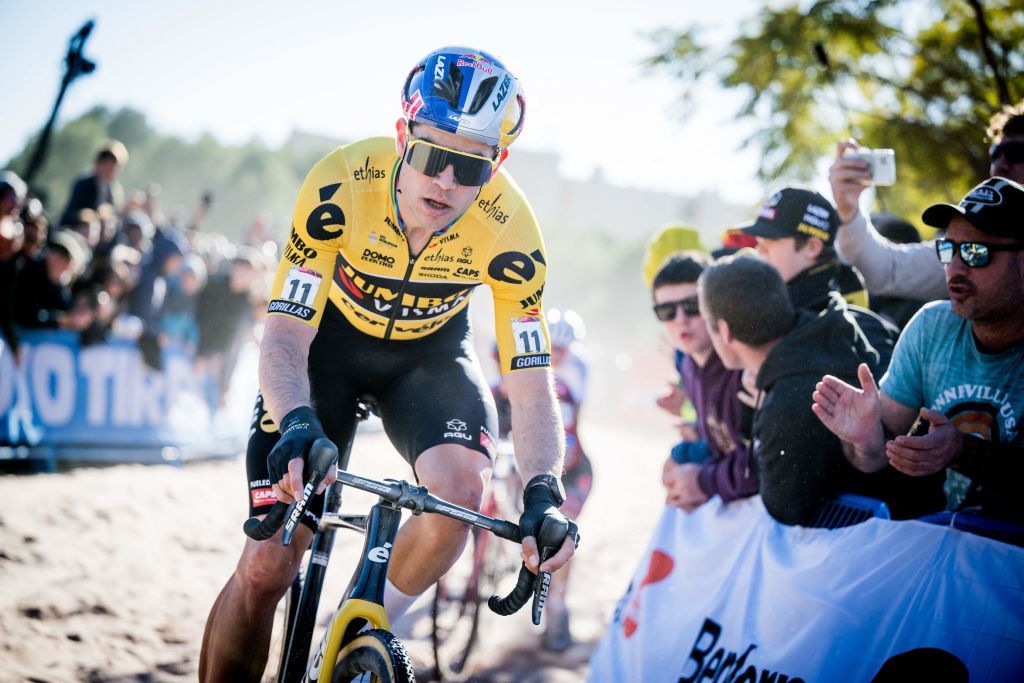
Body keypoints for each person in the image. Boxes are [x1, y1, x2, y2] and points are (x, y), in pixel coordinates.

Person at [199, 46, 578, 682]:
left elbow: (532, 383)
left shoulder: (512, 230)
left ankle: (349, 635)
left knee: (462, 495)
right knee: (267, 564)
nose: (447, 183)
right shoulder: (341, 182)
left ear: (498, 165)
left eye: (471, 169)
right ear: (403, 135)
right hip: (327, 352)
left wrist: (544, 486)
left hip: (428, 361)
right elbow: (287, 333)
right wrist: (295, 420)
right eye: (433, 157)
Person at [812, 177, 1024, 521]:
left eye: (975, 252)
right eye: (947, 249)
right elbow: (878, 454)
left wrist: (963, 450)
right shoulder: (931, 326)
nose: (954, 267)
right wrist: (865, 439)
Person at [697, 255, 944, 526]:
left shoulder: (786, 404)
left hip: (900, 538)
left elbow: (786, 510)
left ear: (724, 330)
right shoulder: (848, 322)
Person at [828, 100, 1024, 301]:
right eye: (995, 155)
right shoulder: (961, 251)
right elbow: (889, 270)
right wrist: (848, 210)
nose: (999, 166)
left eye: (1016, 154)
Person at [741, 186, 900, 369]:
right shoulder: (773, 313)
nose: (759, 250)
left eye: (770, 241)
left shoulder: (855, 328)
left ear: (812, 247)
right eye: (759, 242)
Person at [653, 253, 757, 512]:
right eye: (666, 311)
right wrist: (695, 442)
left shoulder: (744, 363)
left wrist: (702, 481)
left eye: (691, 306)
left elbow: (768, 465)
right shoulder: (688, 362)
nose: (680, 319)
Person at [540, 308, 593, 651]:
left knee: (561, 536)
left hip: (571, 469)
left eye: (562, 350)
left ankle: (557, 609)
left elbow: (567, 440)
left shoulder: (576, 374)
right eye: (550, 348)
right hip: (535, 466)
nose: (555, 356)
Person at [59, 140, 128, 227]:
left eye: (113, 164)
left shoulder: (116, 191)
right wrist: (93, 214)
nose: (108, 167)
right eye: (104, 161)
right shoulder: (83, 184)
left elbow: (116, 216)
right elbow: (69, 215)